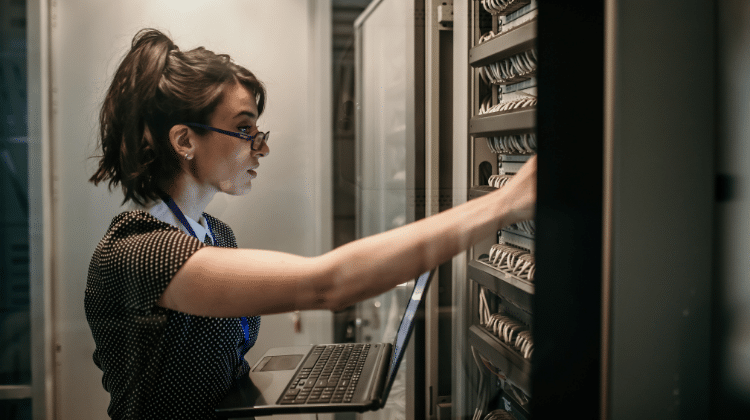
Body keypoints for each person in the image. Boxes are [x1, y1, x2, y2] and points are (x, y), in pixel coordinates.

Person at [85, 28, 537, 420]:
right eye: (245, 130)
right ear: (185, 140)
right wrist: (505, 204)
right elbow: (328, 284)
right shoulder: (139, 252)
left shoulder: (216, 238)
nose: (260, 148)